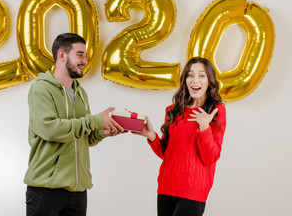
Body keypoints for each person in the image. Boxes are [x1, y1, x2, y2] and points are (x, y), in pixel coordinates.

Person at [24, 33, 124, 216]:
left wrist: (102, 131)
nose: (85, 61)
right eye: (80, 54)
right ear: (61, 55)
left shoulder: (80, 93)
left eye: (85, 55)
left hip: (78, 191)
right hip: (46, 189)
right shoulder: (41, 89)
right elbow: (50, 130)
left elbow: (84, 138)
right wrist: (94, 120)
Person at [135, 57, 226, 216]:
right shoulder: (173, 110)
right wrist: (151, 136)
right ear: (185, 80)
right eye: (190, 75)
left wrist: (204, 126)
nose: (195, 80)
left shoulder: (215, 111)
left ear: (209, 81)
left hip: (193, 190)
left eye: (201, 75)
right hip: (166, 187)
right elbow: (167, 153)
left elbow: (210, 157)